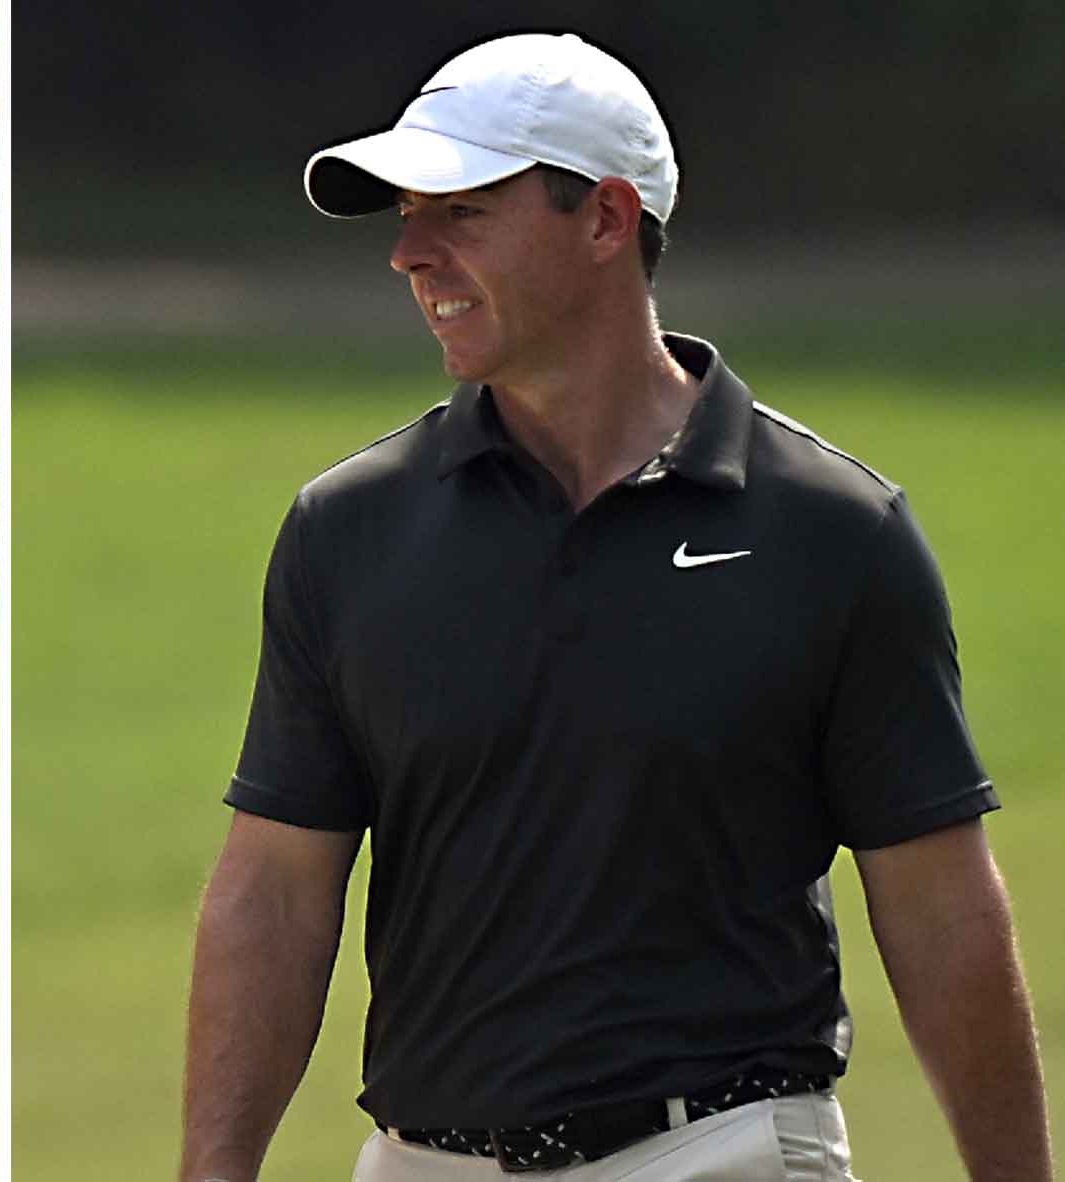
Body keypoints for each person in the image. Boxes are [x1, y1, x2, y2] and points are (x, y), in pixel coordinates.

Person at [179, 31, 1051, 1182]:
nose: (409, 254)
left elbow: (940, 908)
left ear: (604, 220)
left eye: (462, 213)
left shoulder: (834, 533)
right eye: (404, 215)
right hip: (421, 1162)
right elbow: (275, 892)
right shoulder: (347, 531)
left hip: (723, 1148)